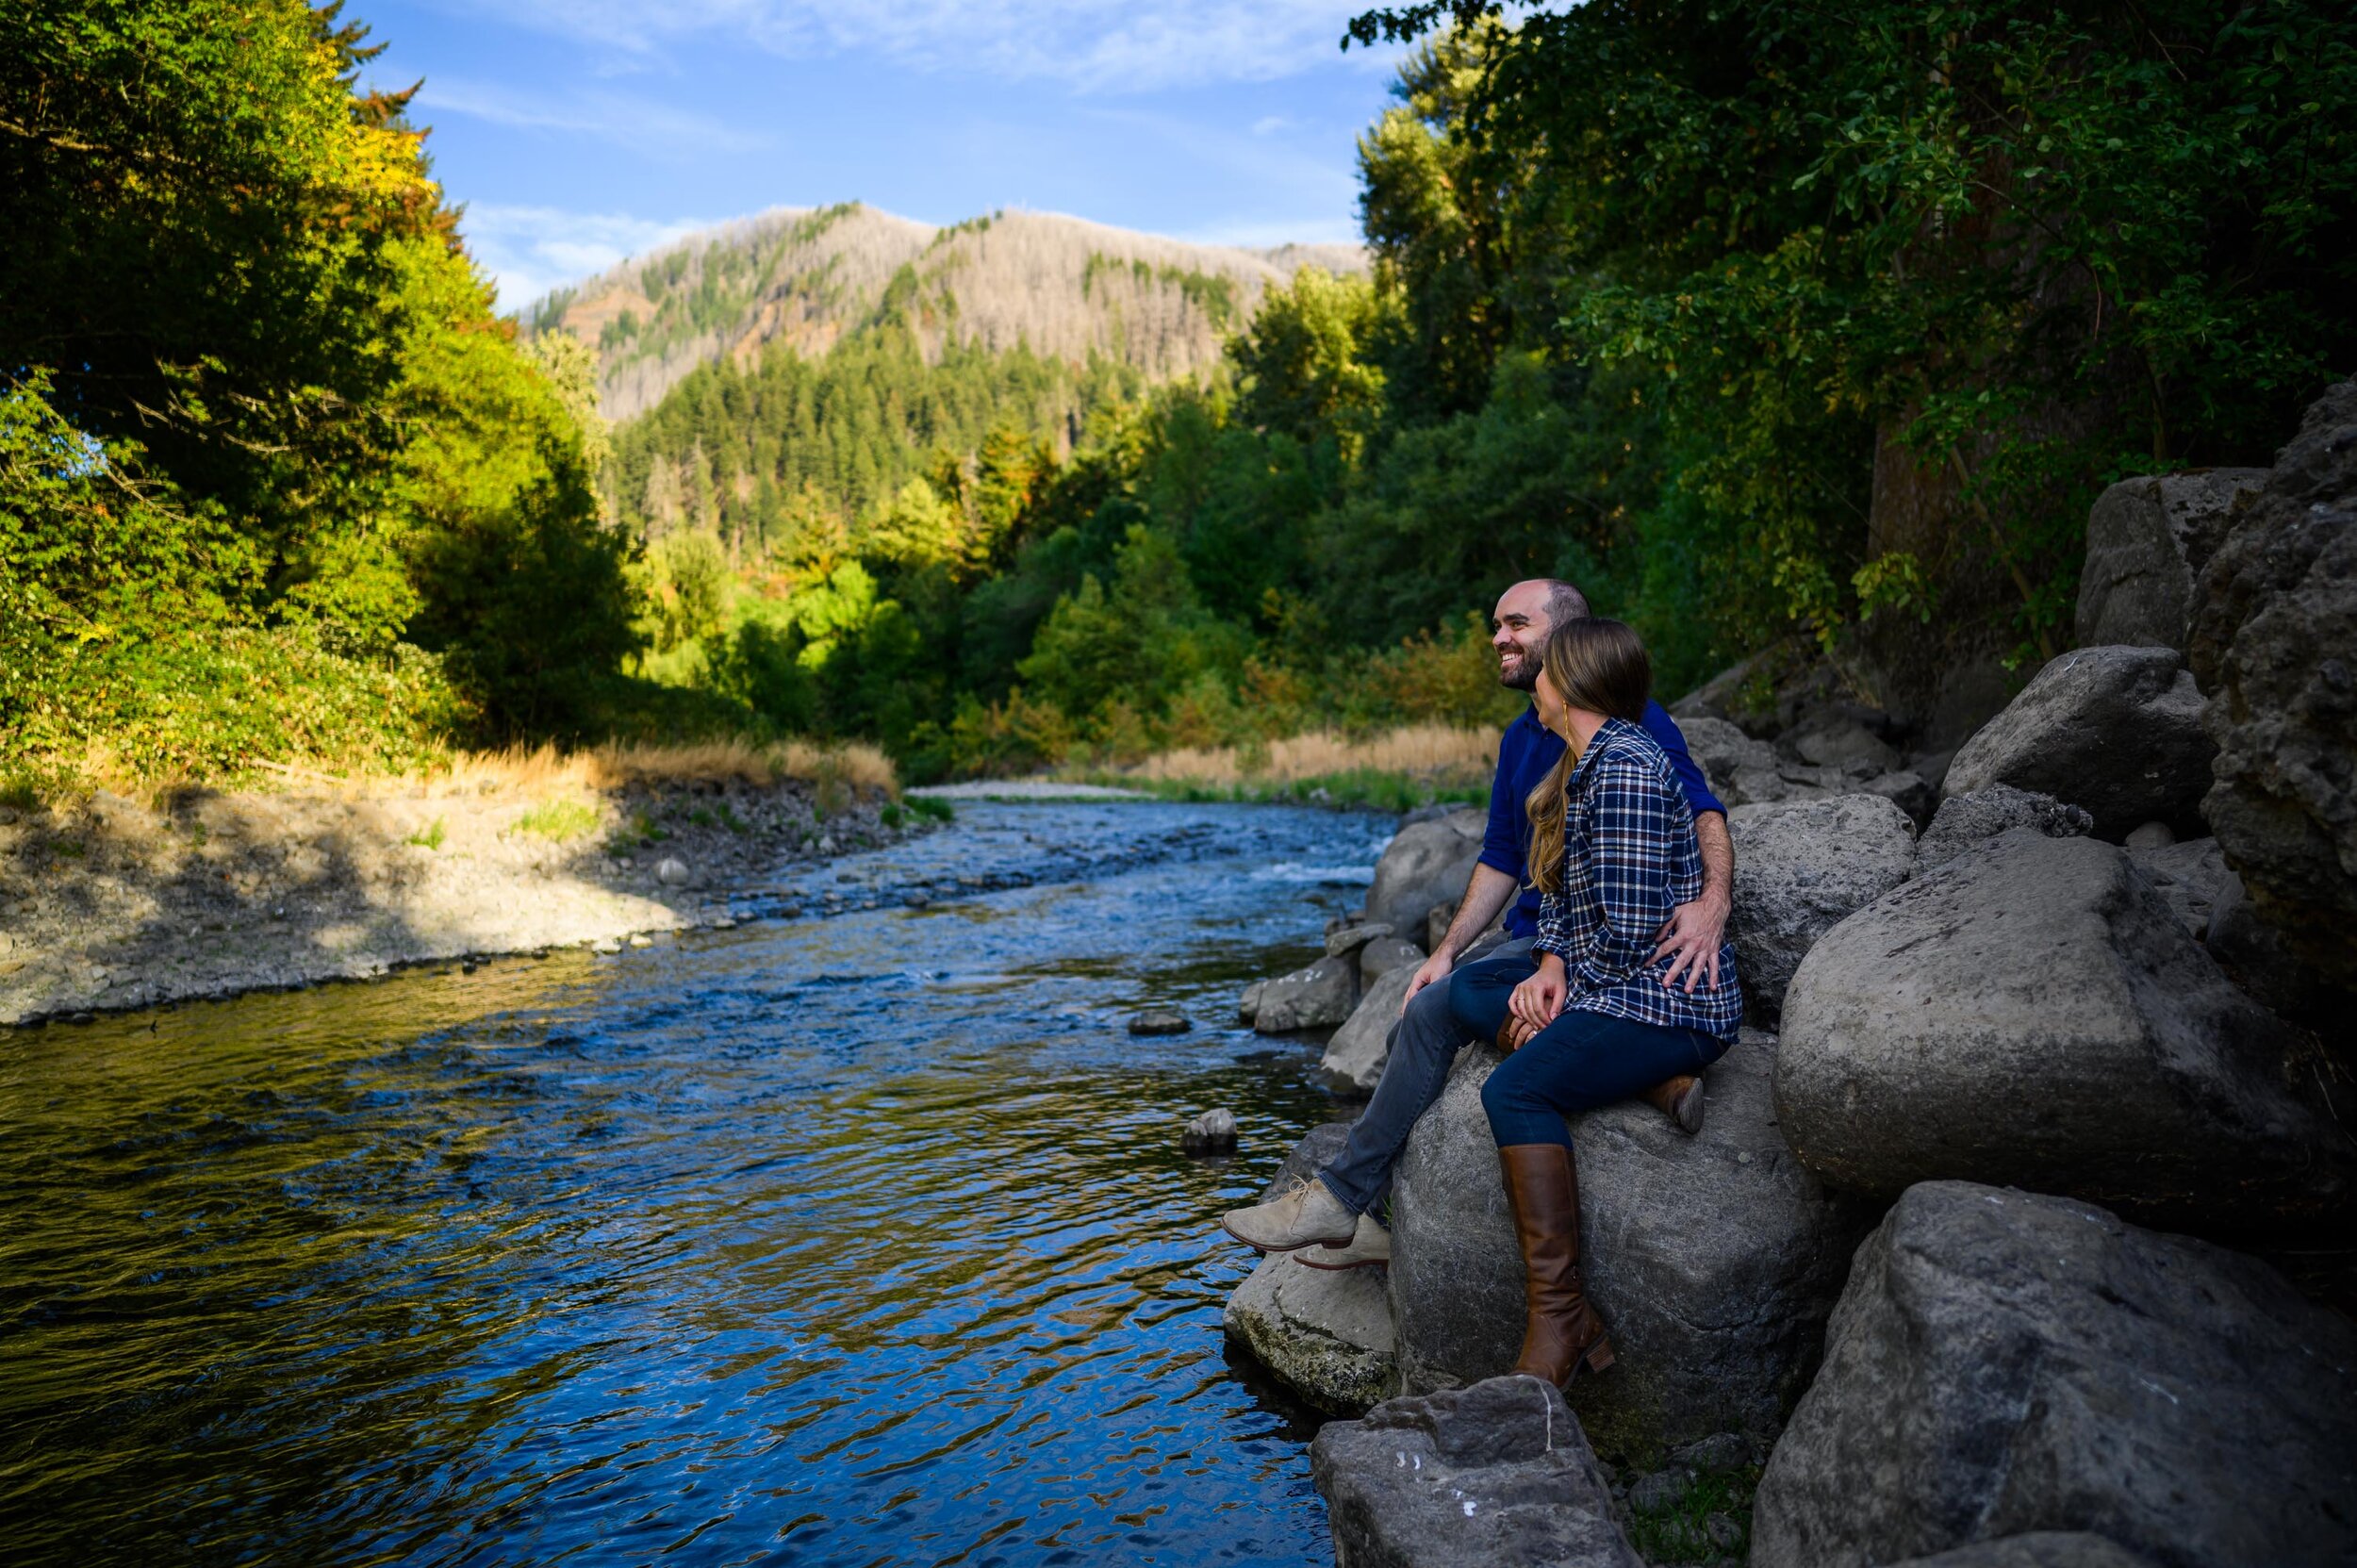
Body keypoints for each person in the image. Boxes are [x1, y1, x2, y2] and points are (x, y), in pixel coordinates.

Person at [1221, 579, 1733, 1269]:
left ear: (1568, 644)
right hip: (1551, 939)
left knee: (1442, 1015)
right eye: (1496, 624)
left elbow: (1700, 812)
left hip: (1599, 954)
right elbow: (1507, 858)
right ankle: (1639, 1078)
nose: (1498, 638)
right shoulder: (1527, 737)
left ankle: (1348, 1203)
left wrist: (1713, 903)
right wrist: (1450, 948)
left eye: (1516, 624)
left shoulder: (1629, 727)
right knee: (1428, 1002)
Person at [1447, 616, 1739, 1384]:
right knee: (1473, 990)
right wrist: (1551, 969)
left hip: (1669, 1006)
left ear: (1567, 686)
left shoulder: (1625, 771)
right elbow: (1580, 911)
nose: (1531, 686)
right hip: (1625, 992)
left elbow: (1636, 931)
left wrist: (1566, 997)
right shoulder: (1589, 760)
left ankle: (1561, 1315)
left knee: (1515, 1087)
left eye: (1542, 675)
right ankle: (1645, 1084)